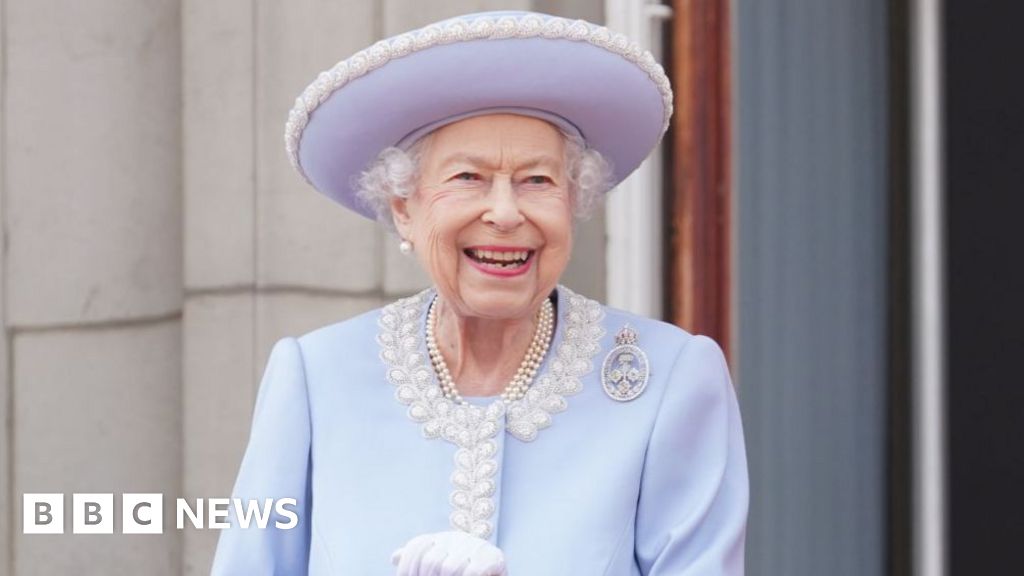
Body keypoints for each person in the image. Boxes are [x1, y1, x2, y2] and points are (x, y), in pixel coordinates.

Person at [211, 10, 748, 576]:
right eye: (468, 178)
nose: (505, 213)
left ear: (573, 202)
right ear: (404, 207)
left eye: (537, 180)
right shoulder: (316, 377)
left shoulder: (670, 381)